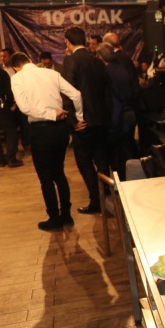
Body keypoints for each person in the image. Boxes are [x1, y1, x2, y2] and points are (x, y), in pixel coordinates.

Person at [10, 52, 85, 231]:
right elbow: (76, 95)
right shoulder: (51, 73)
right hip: (60, 130)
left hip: (41, 131)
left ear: (15, 68)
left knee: (46, 177)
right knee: (59, 172)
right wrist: (80, 118)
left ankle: (54, 218)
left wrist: (51, 114)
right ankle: (66, 215)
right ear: (30, 60)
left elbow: (25, 108)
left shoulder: (17, 78)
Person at [62, 26, 109, 214]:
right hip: (101, 120)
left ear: (67, 41)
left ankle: (96, 201)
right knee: (102, 160)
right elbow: (105, 91)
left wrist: (73, 121)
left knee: (84, 162)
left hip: (83, 123)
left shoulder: (70, 60)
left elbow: (68, 92)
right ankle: (107, 198)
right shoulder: (97, 60)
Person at [96, 41, 140, 180]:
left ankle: (122, 185)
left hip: (119, 118)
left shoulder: (107, 72)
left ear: (100, 56)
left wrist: (111, 124)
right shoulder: (121, 68)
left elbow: (114, 99)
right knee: (129, 151)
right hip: (130, 113)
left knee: (118, 158)